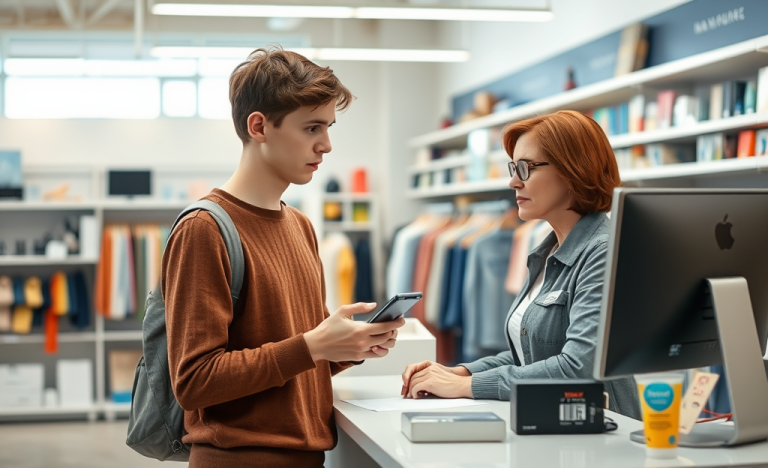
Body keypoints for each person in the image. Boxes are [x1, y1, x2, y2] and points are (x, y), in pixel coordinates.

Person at [162, 47, 405, 468]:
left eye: (328, 127)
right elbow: (195, 381)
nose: (326, 145)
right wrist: (312, 346)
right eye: (312, 128)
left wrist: (346, 345)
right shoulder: (204, 228)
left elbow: (290, 366)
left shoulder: (301, 226)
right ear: (259, 126)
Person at [401, 110, 641, 419]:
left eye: (525, 168)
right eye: (513, 167)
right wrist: (458, 372)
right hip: (560, 426)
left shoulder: (602, 251)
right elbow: (526, 356)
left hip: (607, 431)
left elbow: (577, 367)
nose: (513, 181)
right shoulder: (546, 252)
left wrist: (468, 385)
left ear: (573, 171)